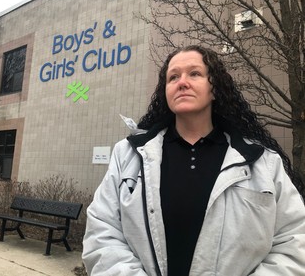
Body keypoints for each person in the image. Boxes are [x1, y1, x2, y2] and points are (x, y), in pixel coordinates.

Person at [82, 45, 305, 276]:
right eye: (173, 77)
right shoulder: (128, 155)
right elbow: (102, 232)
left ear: (215, 88)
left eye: (195, 74)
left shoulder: (262, 161)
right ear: (165, 91)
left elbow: (294, 241)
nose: (182, 82)